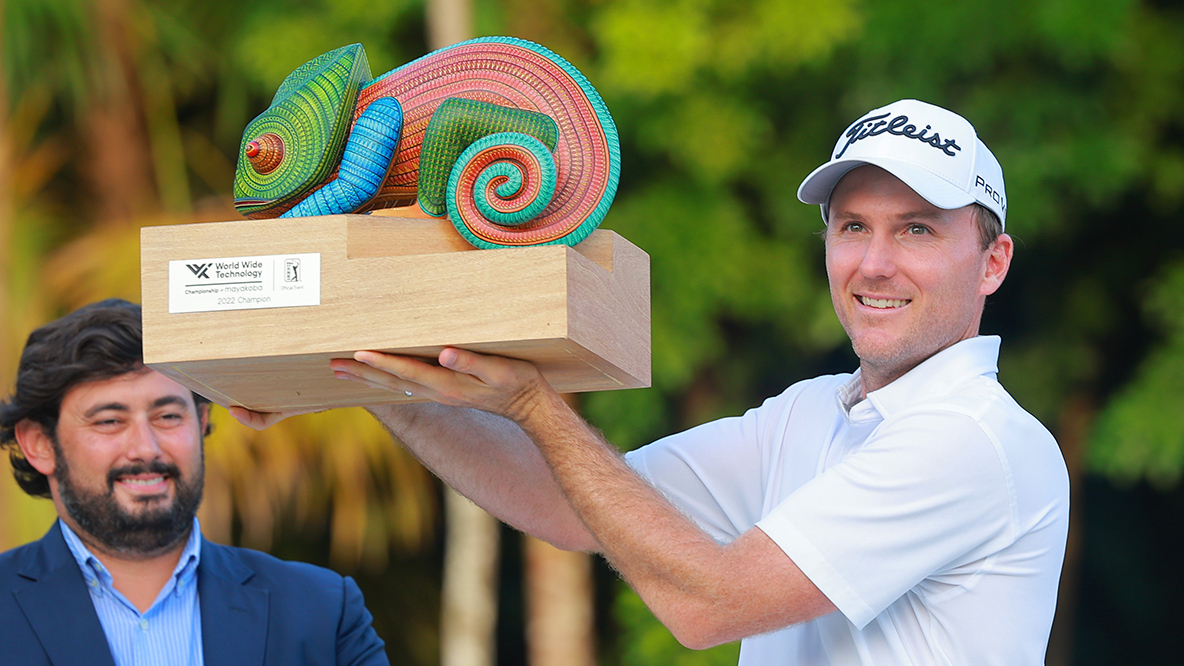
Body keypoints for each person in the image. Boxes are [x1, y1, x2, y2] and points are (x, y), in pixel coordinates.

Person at [234, 99, 1070, 664]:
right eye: (853, 226)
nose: (875, 263)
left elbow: (711, 606)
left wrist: (534, 406)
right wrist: (362, 374)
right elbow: (574, 503)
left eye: (917, 230)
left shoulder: (973, 440)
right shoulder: (813, 413)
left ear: (992, 262)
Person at [0, 299, 389, 666]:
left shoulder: (322, 611)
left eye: (168, 416)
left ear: (201, 422)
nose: (146, 448)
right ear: (39, 443)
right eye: (109, 421)